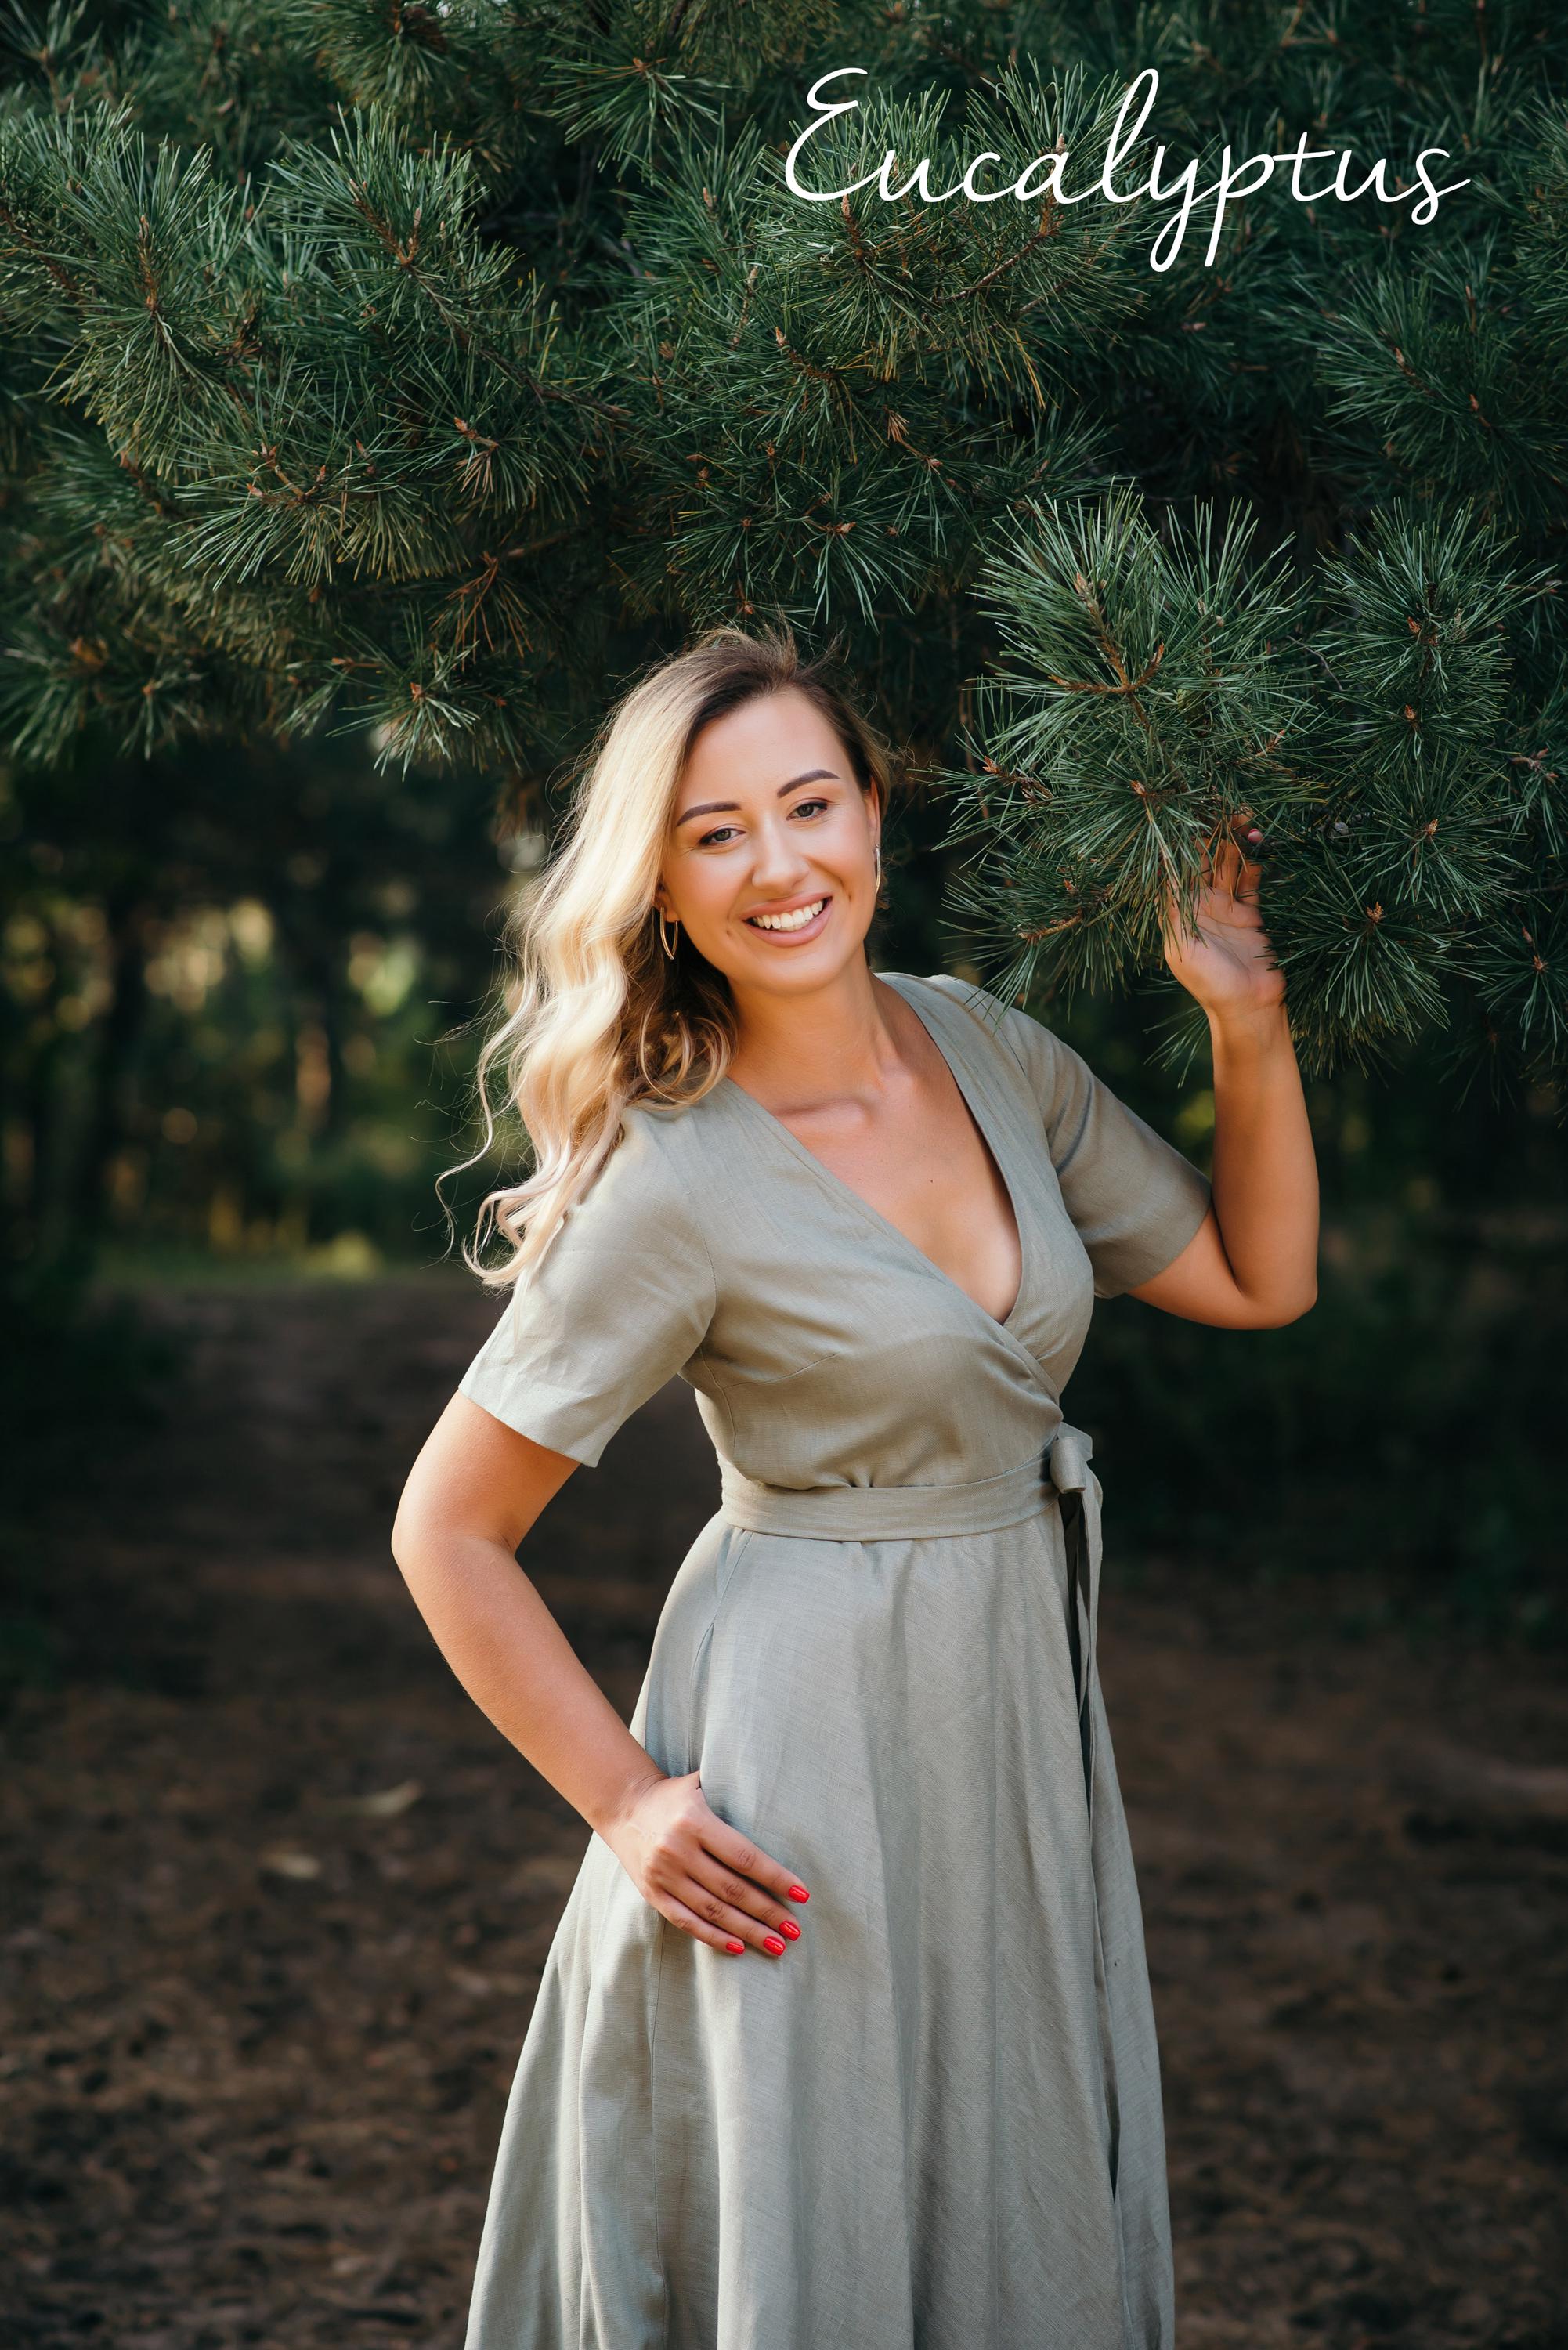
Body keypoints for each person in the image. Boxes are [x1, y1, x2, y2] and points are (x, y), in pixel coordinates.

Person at [391, 627, 1319, 2350]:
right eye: (714, 830)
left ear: (873, 815)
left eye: (807, 804)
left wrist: (1242, 1019)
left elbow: (1255, 1279)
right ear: (660, 884)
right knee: (812, 2209)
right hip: (795, 1757)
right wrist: (622, 1804)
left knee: (1002, 2179)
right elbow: (446, 1529)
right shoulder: (669, 1170)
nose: (778, 863)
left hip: (1008, 1715)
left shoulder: (986, 1050)